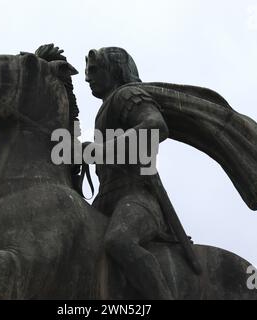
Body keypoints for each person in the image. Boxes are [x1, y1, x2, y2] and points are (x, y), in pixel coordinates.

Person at [85, 47, 175, 299]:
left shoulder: (126, 95)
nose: (86, 77)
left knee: (119, 241)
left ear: (114, 69)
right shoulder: (103, 110)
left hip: (137, 197)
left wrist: (100, 149)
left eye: (93, 70)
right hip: (105, 201)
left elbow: (156, 126)